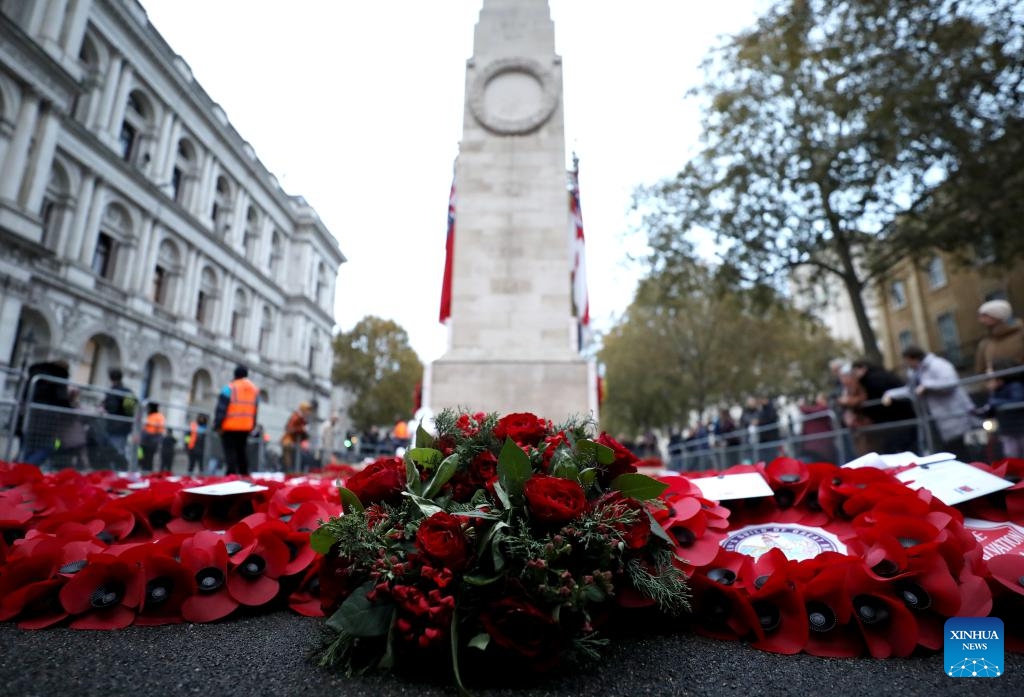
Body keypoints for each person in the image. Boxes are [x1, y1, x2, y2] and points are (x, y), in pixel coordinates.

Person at [884, 346, 976, 461]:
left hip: (952, 414)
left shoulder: (938, 365)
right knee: (942, 450)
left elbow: (950, 382)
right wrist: (891, 394)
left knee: (961, 450)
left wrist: (927, 386)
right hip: (933, 420)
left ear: (913, 358)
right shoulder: (915, 372)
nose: (907, 365)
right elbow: (911, 390)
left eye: (907, 361)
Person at [19, 360, 72, 467]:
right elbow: (62, 399)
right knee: (51, 445)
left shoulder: (35, 373)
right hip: (48, 419)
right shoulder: (59, 375)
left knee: (27, 448)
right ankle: (24, 469)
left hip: (29, 417)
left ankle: (17, 471)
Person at [214, 364, 259, 476]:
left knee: (230, 452)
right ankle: (244, 475)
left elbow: (221, 408)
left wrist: (217, 425)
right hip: (246, 427)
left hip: (229, 426)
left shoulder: (229, 388)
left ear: (235, 374)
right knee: (242, 451)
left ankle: (231, 475)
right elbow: (255, 411)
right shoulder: (254, 390)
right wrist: (252, 425)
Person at [976, 358, 1024, 459]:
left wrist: (995, 403)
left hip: (1020, 428)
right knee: (1012, 456)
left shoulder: (1015, 386)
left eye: (991, 377)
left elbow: (1017, 401)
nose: (988, 381)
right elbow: (991, 410)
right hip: (1008, 430)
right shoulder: (995, 392)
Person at [975, 299, 1024, 374]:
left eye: (985, 316)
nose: (981, 320)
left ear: (997, 315)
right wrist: (988, 383)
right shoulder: (985, 343)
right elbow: (980, 372)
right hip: (995, 384)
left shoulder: (1021, 334)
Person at [101, 367, 136, 469]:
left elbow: (111, 408)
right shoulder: (128, 391)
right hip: (125, 425)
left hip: (113, 425)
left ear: (111, 378)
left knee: (114, 451)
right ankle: (120, 470)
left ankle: (116, 472)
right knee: (120, 449)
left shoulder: (112, 392)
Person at [281, 401, 313, 472]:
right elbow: (289, 428)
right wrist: (301, 429)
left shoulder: (302, 418)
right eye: (307, 410)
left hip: (294, 443)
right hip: (289, 442)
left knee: (294, 461)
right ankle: (288, 473)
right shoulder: (296, 417)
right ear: (304, 410)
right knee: (289, 462)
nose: (309, 412)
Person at [139, 402, 166, 472]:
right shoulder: (152, 415)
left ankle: (146, 473)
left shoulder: (157, 416)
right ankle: (144, 471)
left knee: (148, 459)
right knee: (144, 459)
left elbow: (157, 429)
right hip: (147, 441)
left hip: (151, 441)